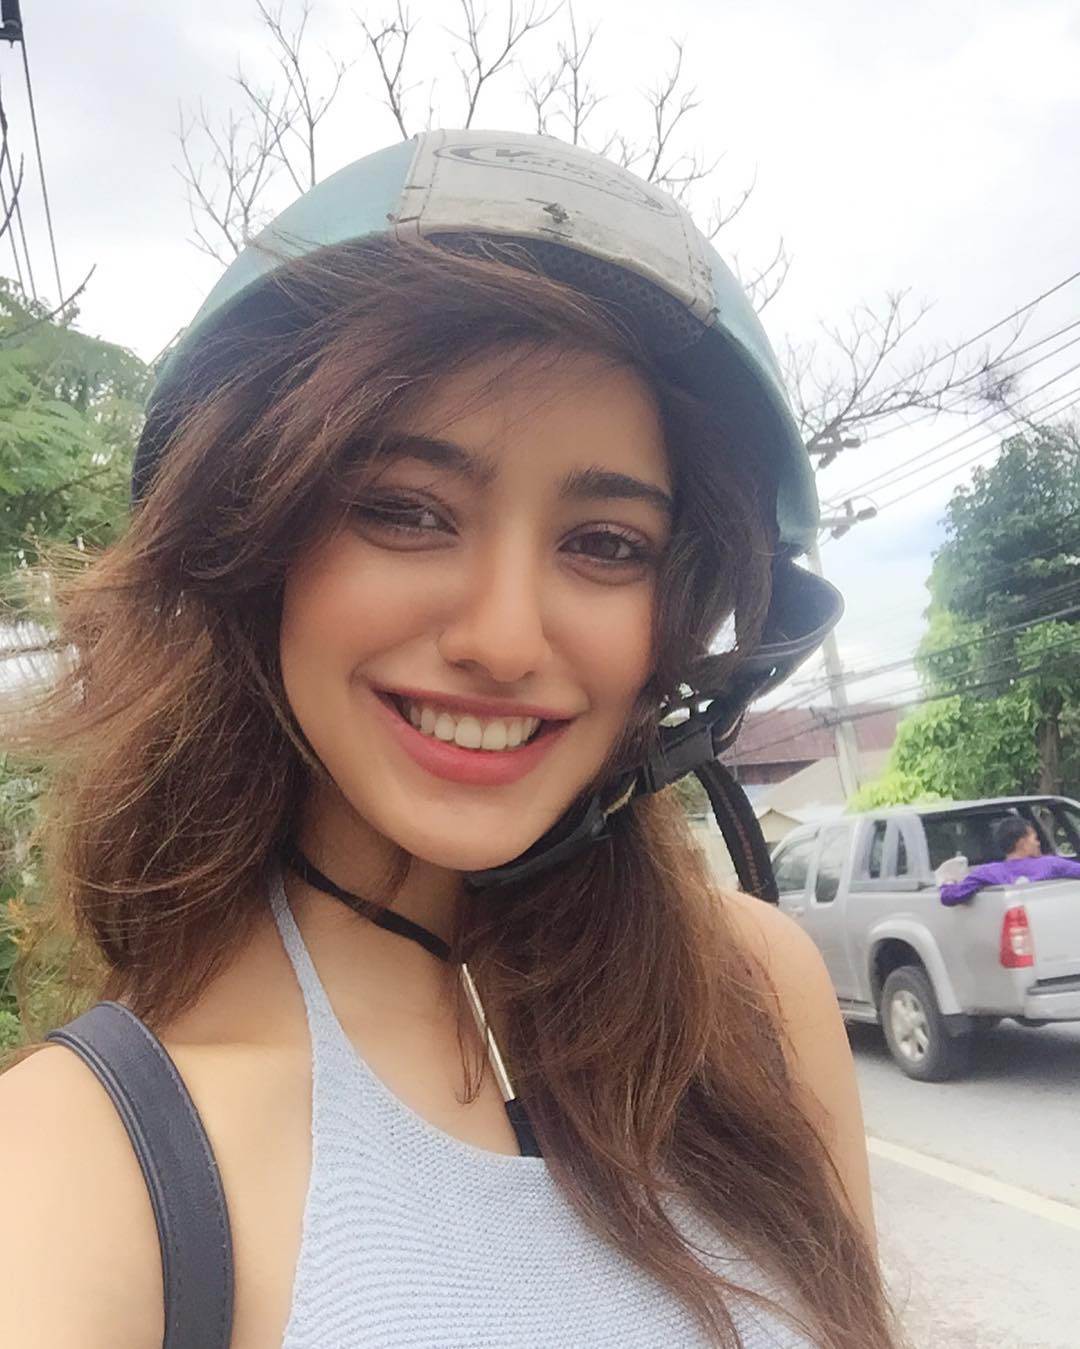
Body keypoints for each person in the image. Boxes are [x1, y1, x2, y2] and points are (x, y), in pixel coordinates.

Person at [0, 131, 898, 1348]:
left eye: (606, 543)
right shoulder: (85, 1162)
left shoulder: (755, 995)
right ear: (248, 551)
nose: (505, 638)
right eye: (404, 511)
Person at [939, 815, 1080, 906]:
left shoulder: (986, 873)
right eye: (1035, 839)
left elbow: (950, 897)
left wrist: (948, 882)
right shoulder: (1051, 864)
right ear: (1022, 842)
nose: (1038, 843)